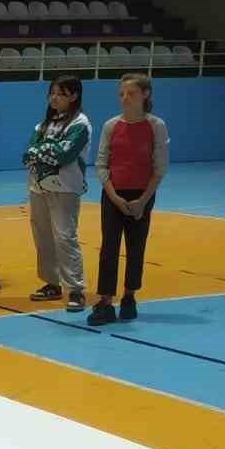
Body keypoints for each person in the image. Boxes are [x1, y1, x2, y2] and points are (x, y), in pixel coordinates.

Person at [89, 72, 169, 325]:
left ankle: (129, 297)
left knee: (136, 247)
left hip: (142, 195)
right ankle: (105, 302)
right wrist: (113, 195)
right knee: (109, 248)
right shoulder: (111, 126)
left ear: (145, 95)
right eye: (121, 93)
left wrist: (143, 200)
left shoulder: (156, 126)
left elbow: (160, 167)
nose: (125, 98)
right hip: (113, 194)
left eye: (131, 93)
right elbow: (101, 164)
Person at [21, 74, 91, 311]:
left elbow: (64, 153)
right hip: (38, 185)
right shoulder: (43, 125)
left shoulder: (80, 124)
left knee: (65, 237)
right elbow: (28, 152)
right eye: (52, 93)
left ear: (74, 96)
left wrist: (41, 152)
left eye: (60, 93)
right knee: (42, 236)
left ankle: (76, 289)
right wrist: (44, 151)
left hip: (65, 187)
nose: (54, 97)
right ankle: (52, 282)